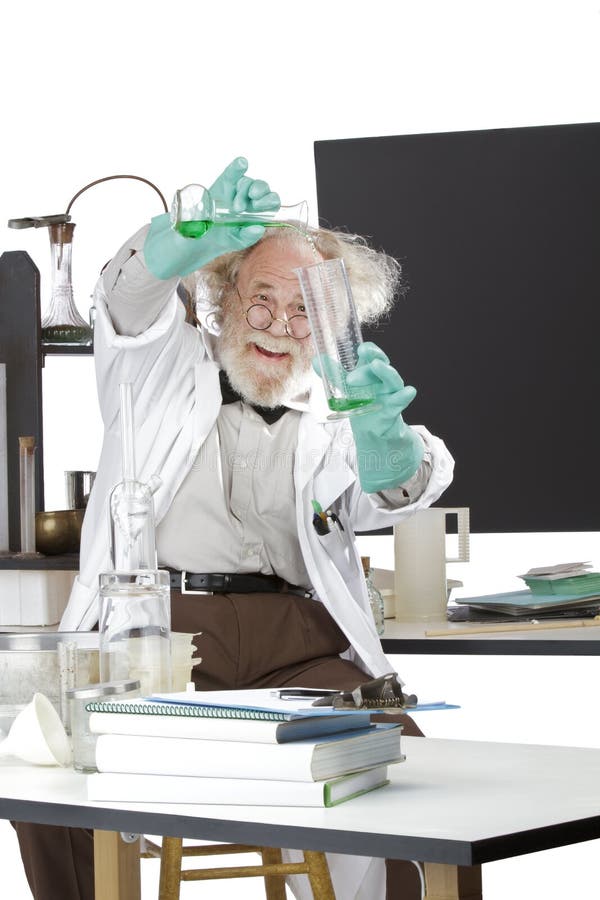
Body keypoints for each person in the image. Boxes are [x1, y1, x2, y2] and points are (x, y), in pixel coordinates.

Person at [15, 158, 455, 900]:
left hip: (300, 651)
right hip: (164, 642)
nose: (279, 327)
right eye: (262, 299)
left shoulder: (341, 401)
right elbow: (125, 295)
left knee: (410, 778)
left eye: (304, 310)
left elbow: (397, 490)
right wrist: (184, 238)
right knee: (52, 769)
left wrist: (384, 431)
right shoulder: (158, 370)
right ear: (222, 298)